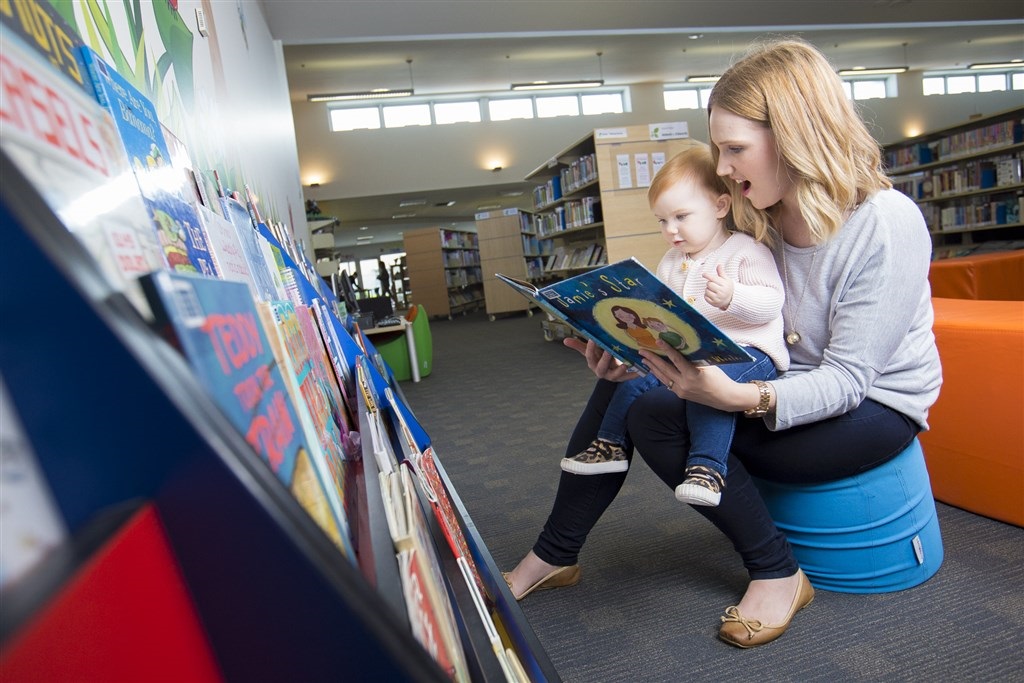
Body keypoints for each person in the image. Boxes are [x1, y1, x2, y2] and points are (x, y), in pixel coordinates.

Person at [502, 38, 941, 650]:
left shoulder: (884, 222)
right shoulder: (761, 214)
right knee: (632, 396)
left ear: (795, 133)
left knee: (661, 419)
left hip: (872, 408)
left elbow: (848, 382)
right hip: (778, 381)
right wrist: (632, 358)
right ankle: (553, 554)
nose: (725, 168)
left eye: (735, 149)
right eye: (719, 149)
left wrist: (740, 398)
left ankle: (777, 573)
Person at [560, 146, 789, 510]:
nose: (671, 230)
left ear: (719, 206)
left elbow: (771, 303)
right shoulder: (672, 261)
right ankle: (611, 444)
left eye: (681, 216)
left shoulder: (744, 250)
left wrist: (733, 296)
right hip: (694, 351)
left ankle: (708, 468)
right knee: (643, 375)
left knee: (707, 387)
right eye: (662, 221)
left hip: (751, 353)